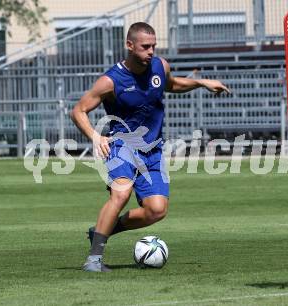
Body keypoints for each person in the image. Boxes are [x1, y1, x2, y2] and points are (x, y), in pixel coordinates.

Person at [70, 22, 231, 272]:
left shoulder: (160, 66)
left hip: (153, 150)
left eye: (154, 45)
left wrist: (202, 83)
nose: (151, 51)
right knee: (121, 194)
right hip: (121, 145)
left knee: (156, 210)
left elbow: (171, 84)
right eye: (146, 46)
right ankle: (93, 260)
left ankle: (103, 230)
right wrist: (94, 136)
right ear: (129, 45)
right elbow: (78, 110)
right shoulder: (110, 81)